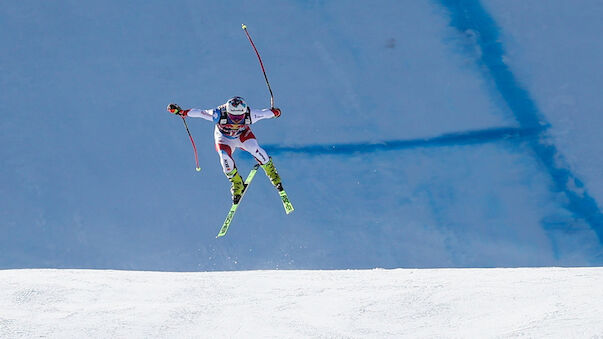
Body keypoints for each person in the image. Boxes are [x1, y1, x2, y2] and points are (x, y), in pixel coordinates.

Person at [167, 97, 284, 203]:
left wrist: (275, 113)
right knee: (224, 157)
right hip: (224, 139)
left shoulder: (250, 114)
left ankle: (271, 172)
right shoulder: (218, 114)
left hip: (242, 135)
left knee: (255, 148)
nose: (236, 120)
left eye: (240, 117)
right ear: (228, 112)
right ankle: (237, 183)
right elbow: (200, 113)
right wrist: (182, 112)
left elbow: (264, 114)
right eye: (233, 117)